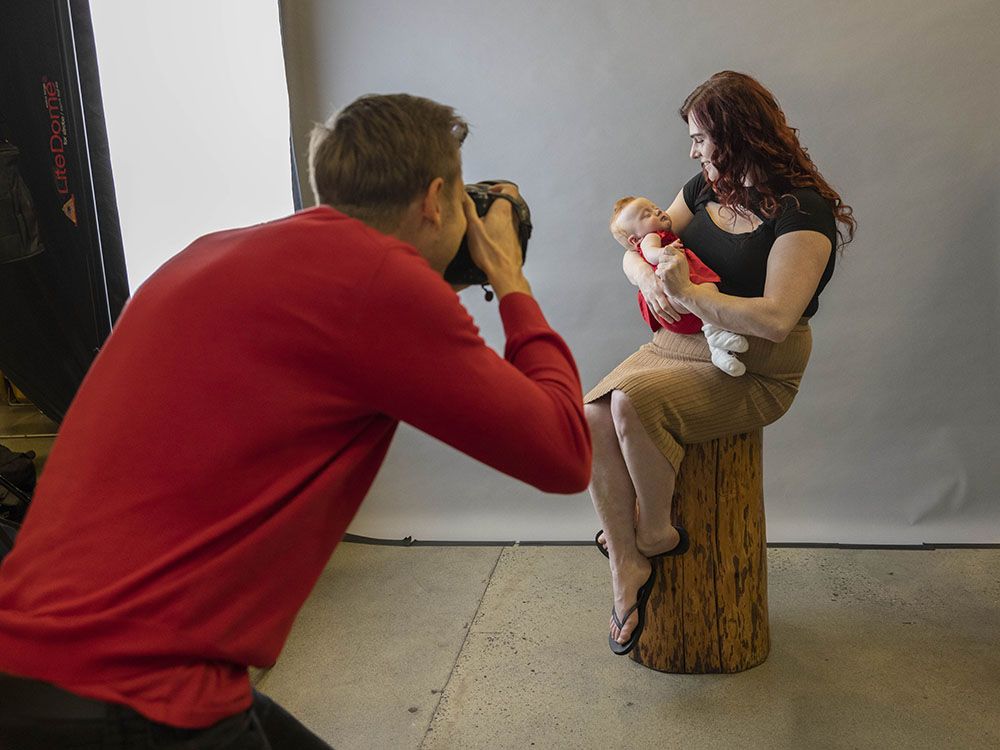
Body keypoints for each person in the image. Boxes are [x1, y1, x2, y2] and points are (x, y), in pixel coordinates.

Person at [0, 93, 592, 748]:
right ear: (433, 201)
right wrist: (507, 275)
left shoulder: (209, 252)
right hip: (141, 697)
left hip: (29, 661)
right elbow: (564, 452)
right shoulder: (379, 285)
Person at [589, 71, 856, 656]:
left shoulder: (801, 213)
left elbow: (776, 318)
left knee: (633, 403)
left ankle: (655, 533)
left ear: (736, 137)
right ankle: (626, 565)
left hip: (757, 363)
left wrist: (686, 295)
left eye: (701, 138)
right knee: (591, 415)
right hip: (682, 343)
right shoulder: (707, 187)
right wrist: (645, 273)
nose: (692, 151)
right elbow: (638, 242)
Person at [609, 195, 749, 376]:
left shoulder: (663, 234)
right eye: (646, 215)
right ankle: (715, 336)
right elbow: (650, 253)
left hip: (681, 311)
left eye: (654, 206)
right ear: (635, 241)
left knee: (707, 294)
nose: (657, 211)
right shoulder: (650, 237)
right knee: (707, 292)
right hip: (672, 301)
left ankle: (719, 353)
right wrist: (665, 252)